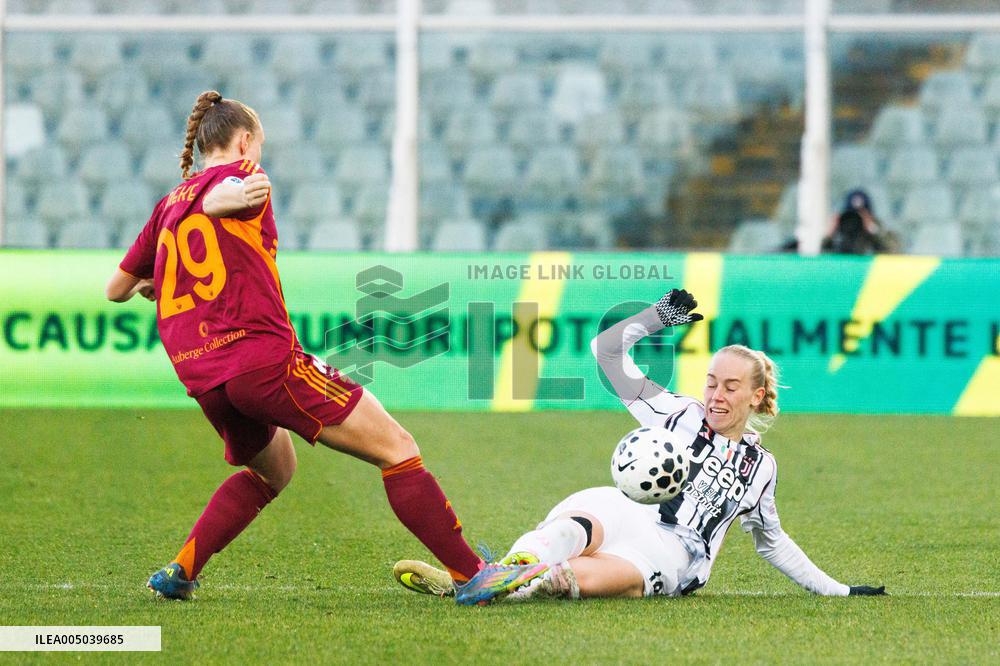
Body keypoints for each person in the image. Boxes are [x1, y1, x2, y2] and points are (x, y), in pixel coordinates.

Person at [106, 90, 490, 600]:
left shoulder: (167, 206)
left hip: (204, 378)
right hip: (260, 359)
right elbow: (224, 199)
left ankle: (181, 571)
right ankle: (473, 574)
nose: (257, 157)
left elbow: (115, 290)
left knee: (274, 470)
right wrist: (228, 193)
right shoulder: (243, 178)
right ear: (244, 142)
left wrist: (153, 282)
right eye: (257, 146)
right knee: (398, 450)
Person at [393, 290, 886, 604]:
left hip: (673, 554)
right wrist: (658, 315)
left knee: (588, 580)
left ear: (756, 396)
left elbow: (772, 541)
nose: (716, 395)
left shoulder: (760, 468)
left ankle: (492, 584)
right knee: (572, 528)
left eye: (731, 387)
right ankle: (493, 574)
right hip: (626, 511)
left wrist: (839, 589)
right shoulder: (675, 412)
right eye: (712, 382)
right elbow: (606, 350)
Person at [823, 189, 893, 255]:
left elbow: (891, 252)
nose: (856, 220)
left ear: (870, 215)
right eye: (852, 215)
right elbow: (824, 255)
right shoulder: (842, 227)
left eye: (862, 214)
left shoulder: (876, 228)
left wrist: (872, 229)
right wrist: (831, 234)